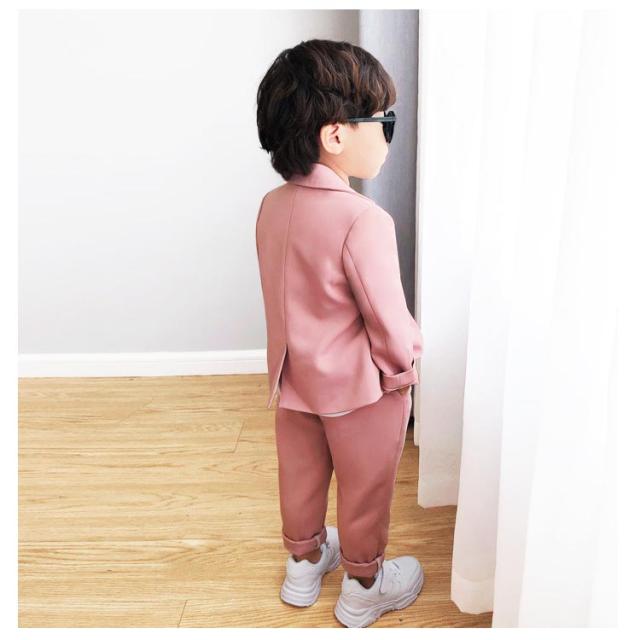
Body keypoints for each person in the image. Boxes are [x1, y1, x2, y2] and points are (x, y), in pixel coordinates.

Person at [255, 39, 425, 628]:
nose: (388, 136)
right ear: (335, 135)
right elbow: (386, 315)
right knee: (365, 486)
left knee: (301, 476)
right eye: (384, 123)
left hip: (294, 380)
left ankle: (303, 566)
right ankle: (363, 585)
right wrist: (404, 370)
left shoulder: (272, 206)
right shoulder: (363, 218)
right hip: (360, 390)